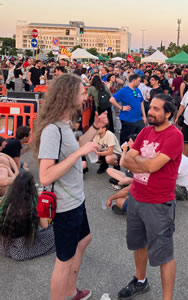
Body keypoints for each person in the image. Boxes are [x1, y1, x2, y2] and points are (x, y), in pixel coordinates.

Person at [33, 73, 108, 300]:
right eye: (81, 91)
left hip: (76, 199)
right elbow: (45, 176)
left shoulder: (65, 124)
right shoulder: (51, 130)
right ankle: (64, 293)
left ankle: (71, 291)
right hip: (65, 204)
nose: (86, 93)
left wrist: (95, 127)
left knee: (84, 240)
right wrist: (79, 153)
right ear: (68, 95)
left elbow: (75, 146)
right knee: (63, 260)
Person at [117, 93, 183, 300]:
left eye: (156, 109)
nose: (151, 112)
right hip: (136, 197)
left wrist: (138, 160)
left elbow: (151, 165)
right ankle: (140, 280)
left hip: (159, 203)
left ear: (168, 113)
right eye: (150, 107)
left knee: (164, 254)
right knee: (138, 244)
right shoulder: (145, 131)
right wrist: (143, 162)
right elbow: (124, 161)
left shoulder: (174, 136)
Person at [0, 171, 55, 261]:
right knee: (55, 232)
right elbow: (45, 225)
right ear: (32, 188)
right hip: (23, 245)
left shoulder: (7, 199)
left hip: (5, 242)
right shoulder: (33, 204)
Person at [110, 74, 147, 145]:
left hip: (139, 119)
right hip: (128, 119)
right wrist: (121, 108)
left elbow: (141, 102)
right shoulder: (124, 90)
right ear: (133, 81)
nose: (140, 83)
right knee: (126, 140)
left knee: (139, 138)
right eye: (139, 81)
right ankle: (124, 154)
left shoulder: (138, 90)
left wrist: (144, 116)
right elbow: (112, 99)